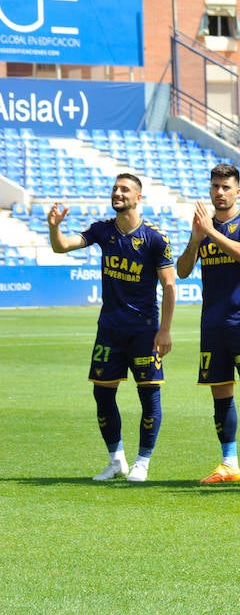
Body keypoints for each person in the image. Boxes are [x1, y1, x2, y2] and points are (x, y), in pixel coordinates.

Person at [47, 174, 175, 482]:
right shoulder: (103, 230)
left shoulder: (155, 238)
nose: (117, 193)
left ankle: (143, 461)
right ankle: (117, 459)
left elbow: (169, 285)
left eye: (124, 189)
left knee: (149, 397)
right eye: (115, 189)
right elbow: (62, 246)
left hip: (145, 331)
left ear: (138, 197)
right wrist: (54, 227)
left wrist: (165, 330)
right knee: (102, 395)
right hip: (110, 329)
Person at [176, 163, 240, 486]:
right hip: (213, 323)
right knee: (221, 396)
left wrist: (212, 233)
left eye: (226, 187)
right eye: (215, 186)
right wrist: (195, 239)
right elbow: (183, 270)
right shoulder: (202, 229)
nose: (219, 192)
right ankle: (229, 462)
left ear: (237, 191)